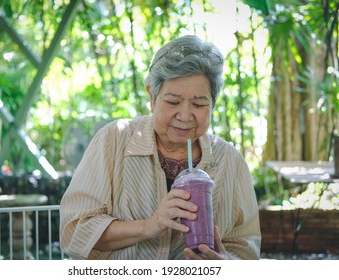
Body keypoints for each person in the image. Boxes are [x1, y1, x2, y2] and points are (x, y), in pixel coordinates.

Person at [59, 34, 261, 260]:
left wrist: (223, 262)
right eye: (173, 102)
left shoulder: (229, 160)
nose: (185, 115)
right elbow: (74, 232)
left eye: (199, 104)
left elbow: (246, 248)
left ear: (212, 103)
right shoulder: (113, 140)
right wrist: (148, 226)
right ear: (152, 97)